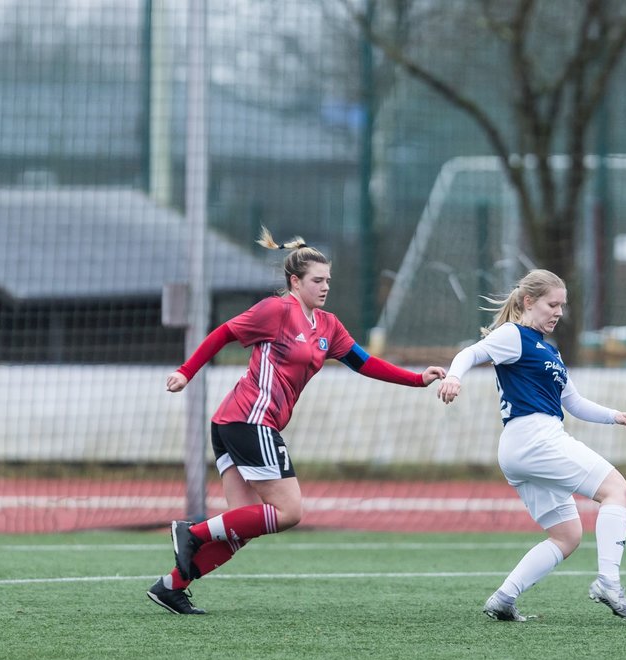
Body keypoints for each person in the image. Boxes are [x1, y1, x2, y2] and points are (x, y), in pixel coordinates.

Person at [148, 228, 446, 614]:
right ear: (295, 281)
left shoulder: (327, 325)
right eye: (317, 281)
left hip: (237, 423)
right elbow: (223, 333)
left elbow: (364, 363)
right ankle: (191, 532)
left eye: (328, 281)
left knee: (242, 528)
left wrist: (417, 379)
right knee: (289, 512)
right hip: (248, 421)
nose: (325, 287)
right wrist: (187, 372)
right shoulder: (276, 310)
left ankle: (171, 586)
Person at [438, 269, 626, 623]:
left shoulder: (548, 350)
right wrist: (454, 376)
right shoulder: (514, 335)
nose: (559, 312)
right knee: (617, 491)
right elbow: (470, 353)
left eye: (562, 305)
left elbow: (573, 402)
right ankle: (609, 582)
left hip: (520, 447)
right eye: (552, 304)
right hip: (536, 438)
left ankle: (503, 598)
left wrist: (614, 415)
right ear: (528, 301)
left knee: (567, 535)